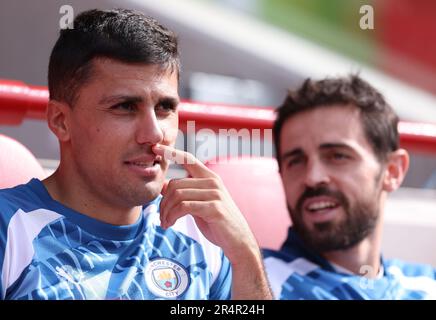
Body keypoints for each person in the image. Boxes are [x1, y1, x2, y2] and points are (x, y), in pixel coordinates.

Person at [0, 8, 272, 300]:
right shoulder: (9, 229)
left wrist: (245, 255)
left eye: (165, 108)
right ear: (61, 121)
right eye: (125, 107)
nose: (154, 134)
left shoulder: (205, 235)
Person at [263, 75, 436, 299]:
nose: (313, 177)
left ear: (392, 171)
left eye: (337, 156)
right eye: (295, 161)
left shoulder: (426, 283)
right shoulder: (249, 279)